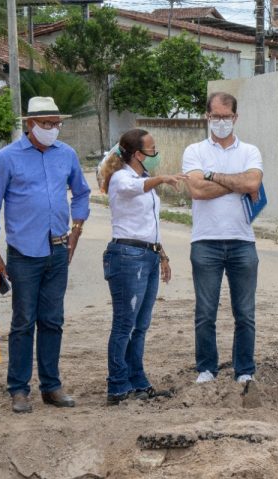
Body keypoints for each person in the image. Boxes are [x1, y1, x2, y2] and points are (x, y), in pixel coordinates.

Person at [0, 97, 90, 413]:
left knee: (53, 320)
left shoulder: (66, 155)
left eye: (57, 124)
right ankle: (18, 389)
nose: (53, 129)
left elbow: (81, 192)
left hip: (58, 249)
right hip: (23, 253)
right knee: (23, 321)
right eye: (47, 124)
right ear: (30, 124)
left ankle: (51, 386)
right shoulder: (7, 158)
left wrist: (78, 227)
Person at [99, 129, 185, 405]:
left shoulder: (143, 177)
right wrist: (162, 178)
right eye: (152, 148)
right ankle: (117, 385)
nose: (155, 153)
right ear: (137, 154)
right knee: (125, 322)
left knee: (140, 324)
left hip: (146, 254)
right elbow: (133, 189)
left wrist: (162, 254)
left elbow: (149, 225)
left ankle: (136, 380)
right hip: (127, 255)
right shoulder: (121, 178)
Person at [182, 92, 263, 386]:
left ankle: (244, 369)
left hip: (243, 242)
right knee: (205, 312)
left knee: (245, 313)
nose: (220, 122)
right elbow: (196, 191)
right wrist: (235, 183)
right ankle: (206, 367)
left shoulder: (250, 151)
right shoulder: (194, 150)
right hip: (205, 241)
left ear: (235, 118)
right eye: (215, 116)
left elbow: (253, 183)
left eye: (226, 117)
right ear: (207, 117)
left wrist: (213, 176)